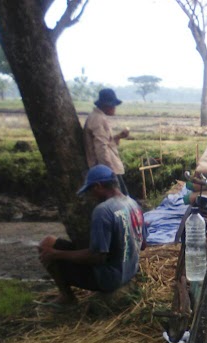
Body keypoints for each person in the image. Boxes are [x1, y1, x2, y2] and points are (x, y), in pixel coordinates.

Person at [38, 165, 147, 306]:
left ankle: (67, 297)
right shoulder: (133, 204)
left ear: (98, 186)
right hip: (130, 270)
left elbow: (97, 257)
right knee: (50, 241)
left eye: (90, 190)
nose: (90, 195)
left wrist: (55, 254)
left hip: (110, 279)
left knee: (47, 246)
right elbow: (143, 244)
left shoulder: (103, 211)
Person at [84, 88, 131, 195]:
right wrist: (109, 173)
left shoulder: (97, 117)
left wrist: (118, 136)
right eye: (113, 105)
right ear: (107, 106)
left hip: (108, 168)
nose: (115, 108)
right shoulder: (98, 120)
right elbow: (101, 148)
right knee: (120, 201)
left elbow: (105, 142)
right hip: (108, 169)